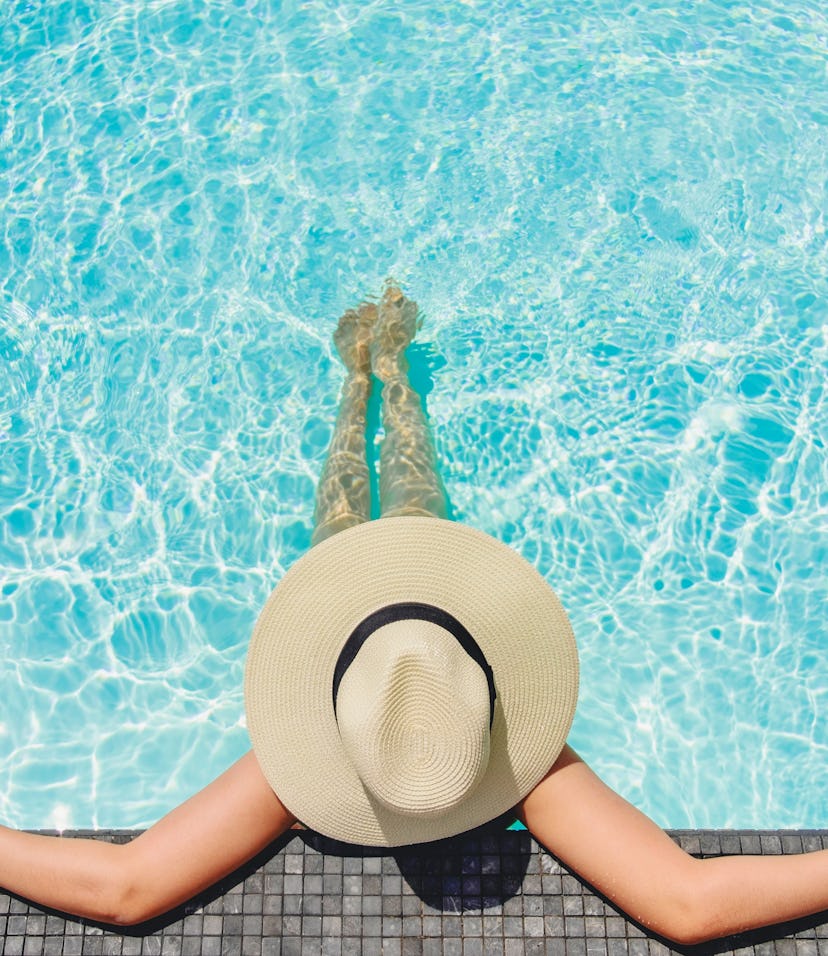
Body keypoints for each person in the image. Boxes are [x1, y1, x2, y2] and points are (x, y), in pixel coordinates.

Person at [1, 283, 826, 945]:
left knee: (349, 513)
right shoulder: (517, 764)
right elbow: (687, 904)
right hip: (409, 642)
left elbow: (126, 888)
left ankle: (366, 379)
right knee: (410, 499)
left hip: (364, 637)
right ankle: (386, 379)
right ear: (488, 676)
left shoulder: (300, 777)